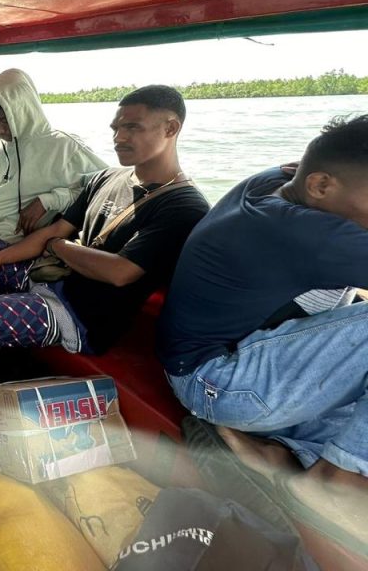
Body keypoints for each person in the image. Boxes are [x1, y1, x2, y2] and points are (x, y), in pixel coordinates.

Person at [157, 114, 368, 547]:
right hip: (221, 380)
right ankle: (335, 481)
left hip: (213, 369)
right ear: (320, 185)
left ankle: (281, 453)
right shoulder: (311, 235)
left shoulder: (273, 182)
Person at [0, 85, 209, 363]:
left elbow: (120, 272)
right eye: (115, 128)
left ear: (170, 128)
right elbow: (55, 230)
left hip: (80, 314)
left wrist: (57, 246)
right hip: (52, 274)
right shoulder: (106, 178)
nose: (118, 138)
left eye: (132, 127)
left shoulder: (184, 207)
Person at [0, 69, 107, 243]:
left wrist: (49, 200)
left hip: (23, 238)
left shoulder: (64, 145)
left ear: (22, 110)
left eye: (4, 120)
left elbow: (103, 190)